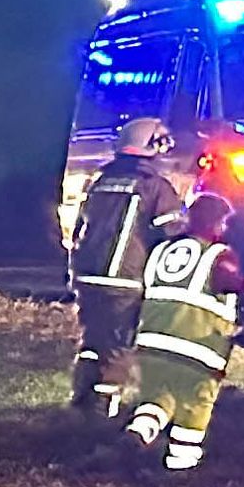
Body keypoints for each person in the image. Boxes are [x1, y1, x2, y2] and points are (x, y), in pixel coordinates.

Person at [124, 191, 244, 473]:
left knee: (156, 398)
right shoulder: (219, 255)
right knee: (195, 406)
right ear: (218, 224)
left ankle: (139, 432)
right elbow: (236, 284)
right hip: (197, 350)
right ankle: (181, 468)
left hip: (150, 345)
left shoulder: (160, 251)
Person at [65, 116, 175, 412]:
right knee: (118, 344)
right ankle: (104, 406)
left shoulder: (100, 179)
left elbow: (79, 228)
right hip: (124, 280)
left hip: (86, 274)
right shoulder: (154, 185)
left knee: (92, 338)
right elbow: (173, 233)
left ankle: (80, 398)